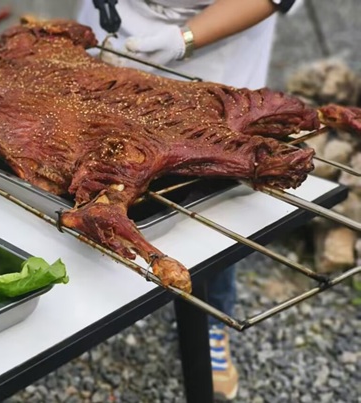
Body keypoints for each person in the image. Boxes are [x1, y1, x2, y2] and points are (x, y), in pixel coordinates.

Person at [77, 0, 296, 400]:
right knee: (94, 160)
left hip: (211, 50)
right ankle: (92, 305)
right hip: (113, 26)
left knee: (209, 207)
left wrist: (184, 40)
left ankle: (211, 324)